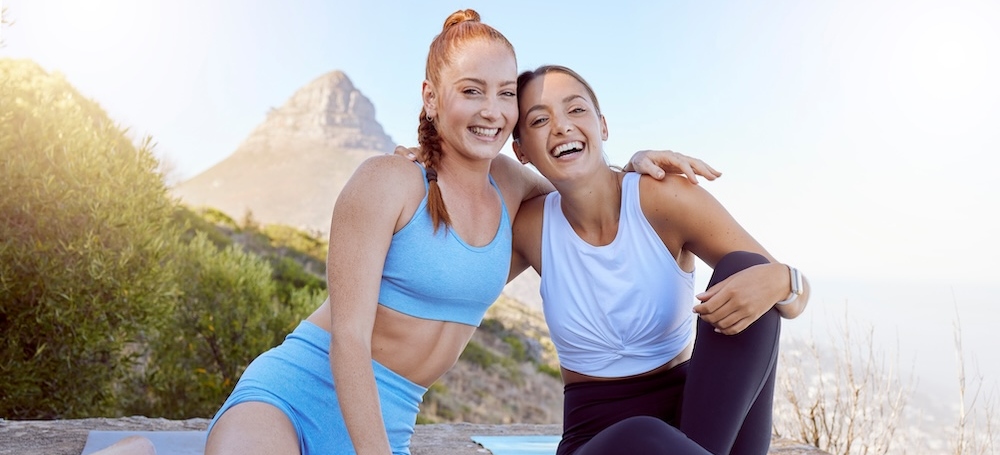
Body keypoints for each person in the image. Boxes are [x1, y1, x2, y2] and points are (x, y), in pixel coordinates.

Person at [204, 10, 718, 455]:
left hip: (392, 419)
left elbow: (585, 186)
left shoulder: (513, 186)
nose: (491, 110)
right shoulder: (388, 182)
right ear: (431, 98)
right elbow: (350, 341)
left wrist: (631, 168)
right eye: (471, 92)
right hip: (295, 394)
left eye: (505, 94)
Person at [508, 65, 811, 455]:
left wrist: (784, 280)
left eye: (576, 110)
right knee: (640, 434)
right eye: (539, 120)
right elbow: (450, 285)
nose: (562, 126)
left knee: (747, 269)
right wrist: (422, 165)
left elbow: (793, 297)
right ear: (521, 150)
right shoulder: (529, 228)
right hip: (601, 440)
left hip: (704, 429)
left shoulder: (663, 198)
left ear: (602, 126)